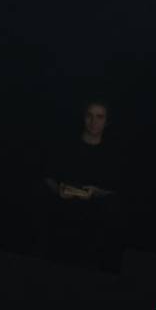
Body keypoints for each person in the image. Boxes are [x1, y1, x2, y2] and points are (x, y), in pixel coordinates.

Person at [40, 99, 123, 265]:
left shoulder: (113, 155)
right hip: (60, 223)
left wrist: (96, 193)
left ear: (106, 122)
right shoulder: (65, 146)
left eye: (99, 117)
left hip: (94, 229)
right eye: (90, 116)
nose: (94, 122)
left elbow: (116, 189)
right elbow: (47, 175)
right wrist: (58, 190)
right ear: (84, 118)